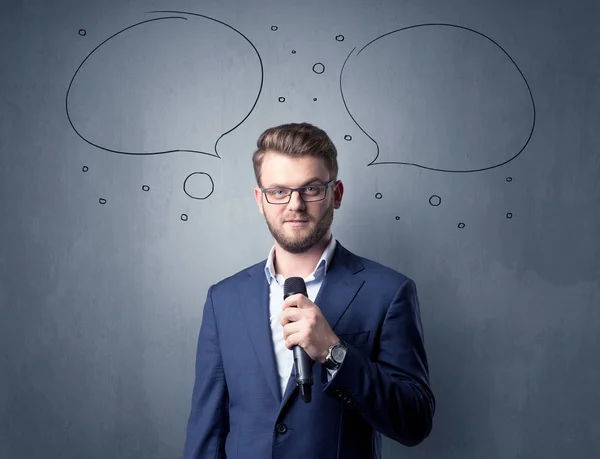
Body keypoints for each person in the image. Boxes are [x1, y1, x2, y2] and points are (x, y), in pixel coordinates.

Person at [183, 122, 435, 459]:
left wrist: (334, 352)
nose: (295, 204)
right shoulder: (223, 299)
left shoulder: (389, 292)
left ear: (337, 194)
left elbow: (414, 422)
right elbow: (207, 433)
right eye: (279, 191)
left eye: (312, 189)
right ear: (260, 199)